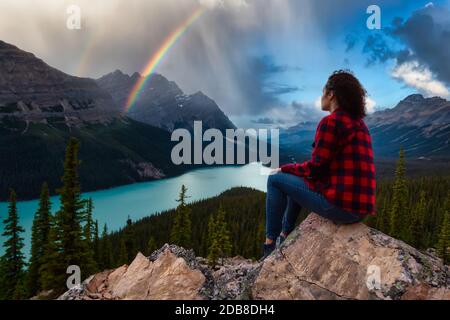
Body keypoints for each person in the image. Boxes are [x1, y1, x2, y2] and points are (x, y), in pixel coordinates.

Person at [262, 70, 376, 259]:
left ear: (331, 94)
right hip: (361, 210)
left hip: (341, 207)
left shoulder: (330, 122)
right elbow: (321, 169)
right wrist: (296, 171)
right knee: (296, 179)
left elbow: (315, 168)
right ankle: (285, 234)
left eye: (323, 91)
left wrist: (284, 169)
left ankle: (269, 245)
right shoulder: (359, 124)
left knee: (275, 179)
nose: (321, 96)